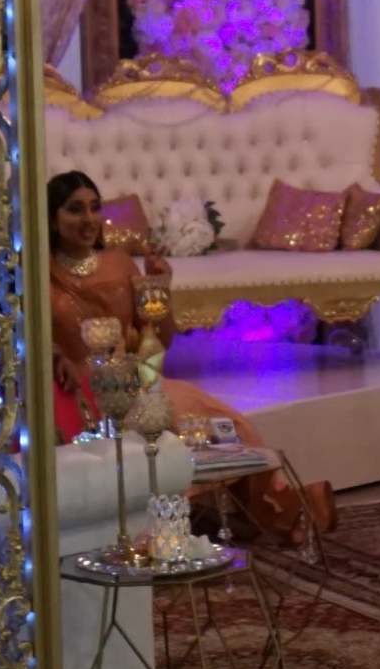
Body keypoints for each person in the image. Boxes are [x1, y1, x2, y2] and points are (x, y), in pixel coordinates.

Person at [42, 170, 331, 540]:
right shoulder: (38, 270)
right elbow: (25, 328)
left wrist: (161, 289)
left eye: (95, 208)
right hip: (78, 393)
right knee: (164, 433)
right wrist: (52, 354)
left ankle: (277, 506)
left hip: (136, 379)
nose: (88, 219)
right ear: (52, 218)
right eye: (75, 210)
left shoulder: (119, 263)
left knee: (225, 426)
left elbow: (158, 341)